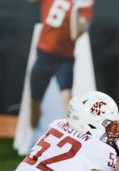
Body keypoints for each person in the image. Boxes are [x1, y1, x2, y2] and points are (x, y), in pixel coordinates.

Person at [29, 0, 94, 129]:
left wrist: (75, 11)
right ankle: (32, 135)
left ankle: (74, 132)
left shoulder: (84, 4)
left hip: (65, 57)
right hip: (45, 54)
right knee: (35, 100)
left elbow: (76, 33)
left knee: (67, 95)